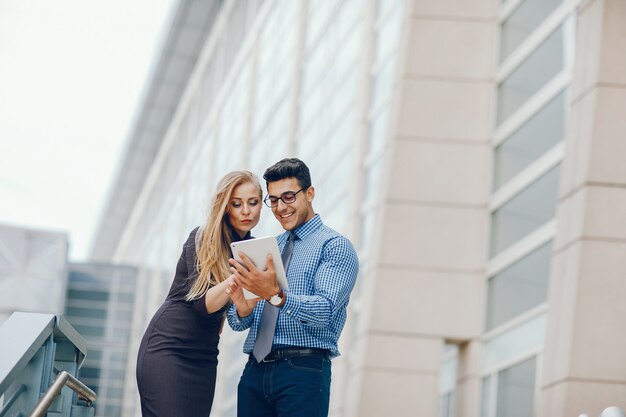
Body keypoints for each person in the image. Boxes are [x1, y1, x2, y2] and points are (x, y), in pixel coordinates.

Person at [226, 158, 359, 417]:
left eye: (288, 197)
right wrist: (242, 309)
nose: (280, 207)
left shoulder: (334, 246)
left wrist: (275, 296)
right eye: (273, 200)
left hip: (303, 370)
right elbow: (238, 323)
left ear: (309, 193)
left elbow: (325, 311)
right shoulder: (266, 248)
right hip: (255, 371)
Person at [136, 171, 263, 417]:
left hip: (205, 355)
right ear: (225, 207)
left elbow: (241, 311)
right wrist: (239, 277)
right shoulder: (203, 237)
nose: (246, 211)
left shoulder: (252, 249)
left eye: (253, 202)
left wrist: (245, 306)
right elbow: (202, 305)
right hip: (169, 347)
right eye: (237, 204)